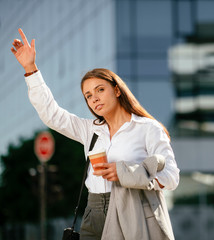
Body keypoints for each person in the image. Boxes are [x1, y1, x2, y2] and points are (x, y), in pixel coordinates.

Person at [11, 28, 179, 240]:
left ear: (117, 90)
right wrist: (30, 68)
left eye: (100, 90)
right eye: (88, 96)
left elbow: (171, 177)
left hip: (132, 206)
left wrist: (126, 173)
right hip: (94, 209)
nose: (94, 98)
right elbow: (51, 115)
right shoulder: (90, 129)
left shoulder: (147, 128)